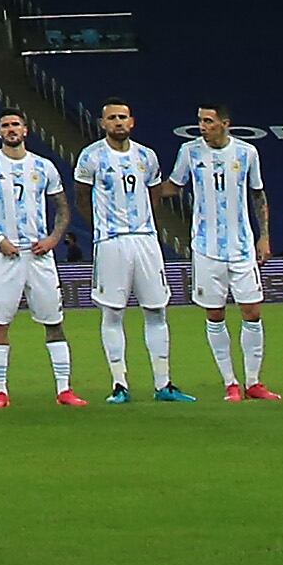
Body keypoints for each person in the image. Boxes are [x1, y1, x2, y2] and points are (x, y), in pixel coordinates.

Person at [74, 100, 187, 405]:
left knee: (156, 309)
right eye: (112, 118)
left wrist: (144, 221)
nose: (118, 122)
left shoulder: (146, 156)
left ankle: (163, 383)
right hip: (111, 241)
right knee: (112, 311)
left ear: (132, 122)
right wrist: (99, 227)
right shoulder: (91, 156)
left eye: (122, 117)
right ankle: (119, 384)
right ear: (103, 123)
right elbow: (81, 197)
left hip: (145, 240)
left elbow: (154, 194)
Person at [0, 109, 77, 407]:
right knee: (0, 322)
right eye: (5, 126)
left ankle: (64, 389)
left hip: (39, 255)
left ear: (25, 130)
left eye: (16, 124)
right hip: (5, 256)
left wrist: (54, 239)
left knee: (54, 321)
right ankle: (0, 391)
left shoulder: (44, 166)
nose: (11, 129)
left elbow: (63, 208)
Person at [174, 103, 278, 401]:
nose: (203, 127)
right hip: (206, 248)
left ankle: (254, 381)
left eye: (208, 121)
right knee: (215, 313)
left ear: (225, 123)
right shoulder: (190, 152)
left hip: (242, 246)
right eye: (200, 121)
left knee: (252, 311)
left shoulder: (246, 153)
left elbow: (257, 193)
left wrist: (264, 236)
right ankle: (230, 382)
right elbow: (173, 185)